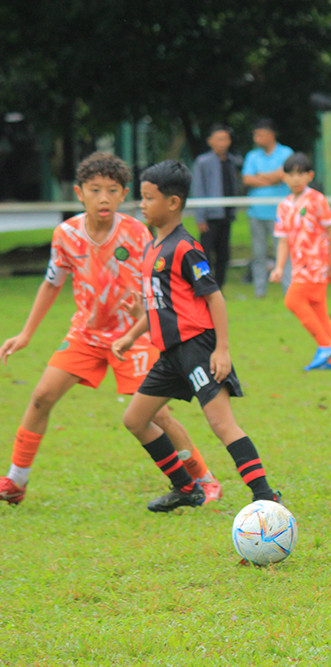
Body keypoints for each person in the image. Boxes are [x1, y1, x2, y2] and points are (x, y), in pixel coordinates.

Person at [0, 153, 220, 506]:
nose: (103, 197)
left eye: (112, 190)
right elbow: (51, 284)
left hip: (131, 336)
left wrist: (142, 312)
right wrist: (25, 334)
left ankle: (203, 478)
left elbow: (155, 280)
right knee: (41, 397)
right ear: (79, 192)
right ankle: (15, 480)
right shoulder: (66, 235)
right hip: (85, 335)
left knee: (157, 414)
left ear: (123, 194)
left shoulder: (135, 232)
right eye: (95, 190)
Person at [112, 160, 279, 512]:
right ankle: (186, 488)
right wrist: (130, 336)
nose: (142, 204)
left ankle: (265, 495)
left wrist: (222, 349)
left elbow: (214, 297)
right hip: (170, 354)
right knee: (135, 419)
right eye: (141, 198)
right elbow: (158, 307)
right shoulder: (151, 249)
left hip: (198, 348)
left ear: (173, 203)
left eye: (148, 198)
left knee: (221, 423)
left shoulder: (185, 248)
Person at [269, 152, 331, 371]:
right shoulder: (283, 206)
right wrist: (279, 267)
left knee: (292, 300)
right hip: (298, 266)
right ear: (284, 177)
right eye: (291, 174)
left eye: (301, 174)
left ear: (310, 175)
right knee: (318, 309)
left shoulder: (317, 199)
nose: (296, 179)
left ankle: (326, 345)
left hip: (317, 263)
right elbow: (283, 241)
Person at [242, 119, 294, 298]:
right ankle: (259, 293)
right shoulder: (252, 156)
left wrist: (262, 176)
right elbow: (247, 179)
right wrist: (273, 178)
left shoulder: (286, 153)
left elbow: (285, 174)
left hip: (280, 214)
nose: (257, 139)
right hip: (256, 212)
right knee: (259, 254)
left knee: (285, 252)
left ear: (271, 134)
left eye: (260, 135)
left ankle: (289, 291)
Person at [191, 123, 240, 289]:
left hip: (226, 214)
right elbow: (198, 188)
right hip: (210, 216)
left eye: (225, 139)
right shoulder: (203, 162)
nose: (223, 143)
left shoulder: (232, 161)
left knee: (223, 254)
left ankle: (219, 287)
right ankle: (202, 284)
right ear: (210, 141)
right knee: (204, 253)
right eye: (219, 139)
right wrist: (200, 216)